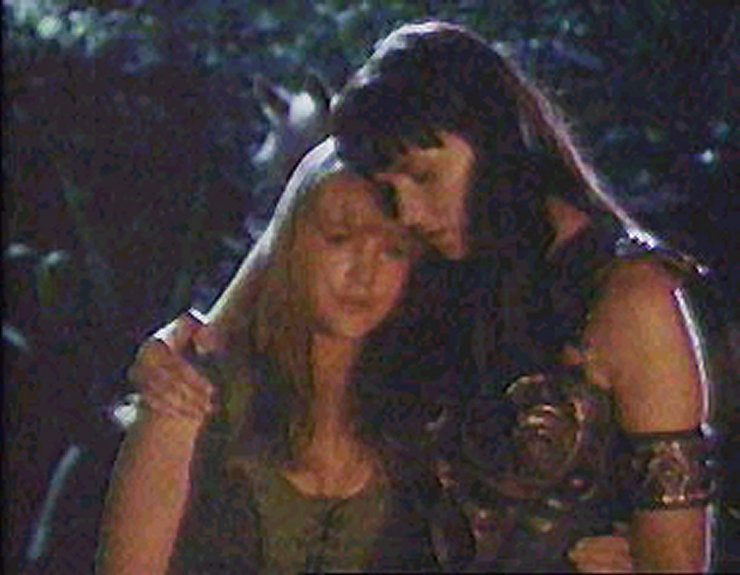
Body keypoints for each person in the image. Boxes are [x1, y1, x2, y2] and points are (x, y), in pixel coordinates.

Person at [331, 20, 715, 573]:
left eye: (424, 177)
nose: (409, 213)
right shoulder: (432, 283)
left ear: (491, 141)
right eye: (392, 191)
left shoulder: (630, 297)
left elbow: (675, 564)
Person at [96, 139, 445, 573]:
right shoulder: (191, 393)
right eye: (340, 238)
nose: (365, 271)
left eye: (394, 249)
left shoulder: (413, 426)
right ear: (290, 240)